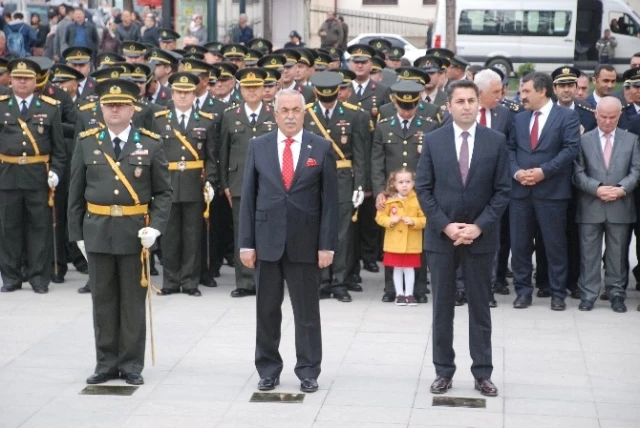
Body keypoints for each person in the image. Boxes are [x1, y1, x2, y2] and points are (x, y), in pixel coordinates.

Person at [67, 78, 172, 386]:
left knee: (131, 300)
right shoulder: (87, 142)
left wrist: (156, 228)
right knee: (102, 299)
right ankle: (105, 363)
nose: (114, 110)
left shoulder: (150, 143)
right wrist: (78, 236)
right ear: (100, 109)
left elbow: (164, 192)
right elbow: (75, 193)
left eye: (121, 105)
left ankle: (131, 364)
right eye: (109, 105)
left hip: (133, 232)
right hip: (97, 231)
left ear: (132, 108)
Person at [238, 88, 338, 394]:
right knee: (267, 310)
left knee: (306, 311)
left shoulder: (320, 147)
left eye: (296, 110)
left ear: (304, 113)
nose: (291, 115)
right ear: (275, 113)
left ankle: (308, 370)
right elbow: (248, 197)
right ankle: (268, 369)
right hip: (266, 241)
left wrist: (326, 245)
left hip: (305, 243)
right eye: (285, 110)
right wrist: (246, 243)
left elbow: (331, 202)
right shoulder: (259, 145)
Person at [415, 80, 510, 397]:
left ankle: (483, 372)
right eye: (460, 101)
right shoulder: (433, 140)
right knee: (442, 308)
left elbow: (502, 191)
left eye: (472, 100)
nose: (467, 106)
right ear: (449, 105)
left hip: (481, 238)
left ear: (479, 104)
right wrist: (445, 226)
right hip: (442, 239)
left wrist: (479, 226)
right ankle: (443, 371)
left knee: (480, 308)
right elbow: (423, 189)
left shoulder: (495, 141)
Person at [508, 72, 581, 311]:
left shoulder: (567, 117)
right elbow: (508, 150)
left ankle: (557, 293)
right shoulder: (519, 118)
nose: (522, 96)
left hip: (551, 192)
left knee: (554, 245)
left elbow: (570, 150)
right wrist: (517, 172)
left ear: (542, 91)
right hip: (520, 193)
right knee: (520, 245)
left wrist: (543, 171)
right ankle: (522, 291)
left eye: (527, 91)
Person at [0, 58, 66, 294]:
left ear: (35, 81)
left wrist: (56, 172)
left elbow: (59, 149)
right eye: (18, 78)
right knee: (9, 228)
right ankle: (11, 276)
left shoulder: (49, 107)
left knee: (40, 228)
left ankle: (39, 277)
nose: (22, 82)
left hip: (39, 176)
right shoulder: (1, 106)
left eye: (27, 78)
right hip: (7, 175)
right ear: (10, 80)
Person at [304, 71, 367, 303]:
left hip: (343, 179)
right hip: (313, 180)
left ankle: (339, 283)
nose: (328, 102)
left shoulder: (354, 115)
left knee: (342, 234)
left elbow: (360, 154)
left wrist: (360, 184)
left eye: (332, 97)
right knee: (316, 232)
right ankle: (321, 282)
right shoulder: (306, 114)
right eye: (325, 98)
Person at [573, 96, 640, 313]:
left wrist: (622, 188)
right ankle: (588, 294)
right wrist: (597, 188)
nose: (608, 121)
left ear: (620, 115)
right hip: (591, 204)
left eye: (612, 117)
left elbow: (636, 171)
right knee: (588, 254)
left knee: (617, 254)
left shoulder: (631, 140)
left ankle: (616, 293)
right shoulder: (584, 140)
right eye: (603, 116)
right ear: (595, 114)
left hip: (621, 205)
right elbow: (577, 172)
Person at [154, 72, 217, 297]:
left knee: (192, 236)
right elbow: (155, 157)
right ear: (172, 94)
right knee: (169, 236)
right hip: (168, 185)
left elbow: (211, 156)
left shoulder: (206, 121)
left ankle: (190, 281)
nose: (182, 96)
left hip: (194, 185)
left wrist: (210, 182)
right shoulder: (160, 119)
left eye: (187, 92)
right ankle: (170, 280)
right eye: (178, 92)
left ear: (194, 94)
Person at [219, 67, 275, 298]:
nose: (252, 92)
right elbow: (223, 151)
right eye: (247, 88)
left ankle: (266, 279)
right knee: (242, 232)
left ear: (264, 89)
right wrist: (225, 184)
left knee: (266, 231)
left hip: (269, 183)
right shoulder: (230, 115)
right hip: (239, 181)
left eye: (256, 87)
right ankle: (244, 281)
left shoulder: (273, 114)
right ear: (240, 90)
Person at [376, 169, 426, 306]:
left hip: (411, 243)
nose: (405, 185)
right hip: (395, 243)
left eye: (408, 182)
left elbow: (425, 218)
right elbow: (380, 217)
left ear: (413, 183)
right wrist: (390, 221)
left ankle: (409, 294)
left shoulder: (418, 199)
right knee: (397, 268)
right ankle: (399, 294)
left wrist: (414, 221)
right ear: (394, 184)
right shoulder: (389, 200)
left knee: (409, 269)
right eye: (401, 182)